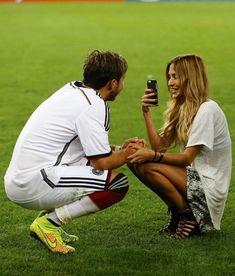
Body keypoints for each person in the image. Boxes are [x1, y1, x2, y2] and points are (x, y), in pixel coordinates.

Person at [4, 50, 140, 254]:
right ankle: (50, 223)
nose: (122, 85)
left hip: (23, 177)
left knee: (87, 166)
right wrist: (129, 153)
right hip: (33, 182)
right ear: (112, 83)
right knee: (117, 184)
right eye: (122, 80)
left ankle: (48, 222)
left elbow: (89, 149)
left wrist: (119, 149)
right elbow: (101, 163)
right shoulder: (94, 105)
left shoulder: (71, 90)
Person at [127, 54, 232, 239]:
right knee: (135, 160)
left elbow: (186, 158)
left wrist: (150, 155)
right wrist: (146, 113)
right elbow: (160, 147)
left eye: (175, 76)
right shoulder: (182, 106)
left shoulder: (207, 109)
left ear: (190, 78)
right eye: (169, 76)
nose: (170, 82)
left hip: (208, 189)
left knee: (147, 162)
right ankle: (179, 213)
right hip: (192, 180)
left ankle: (188, 214)